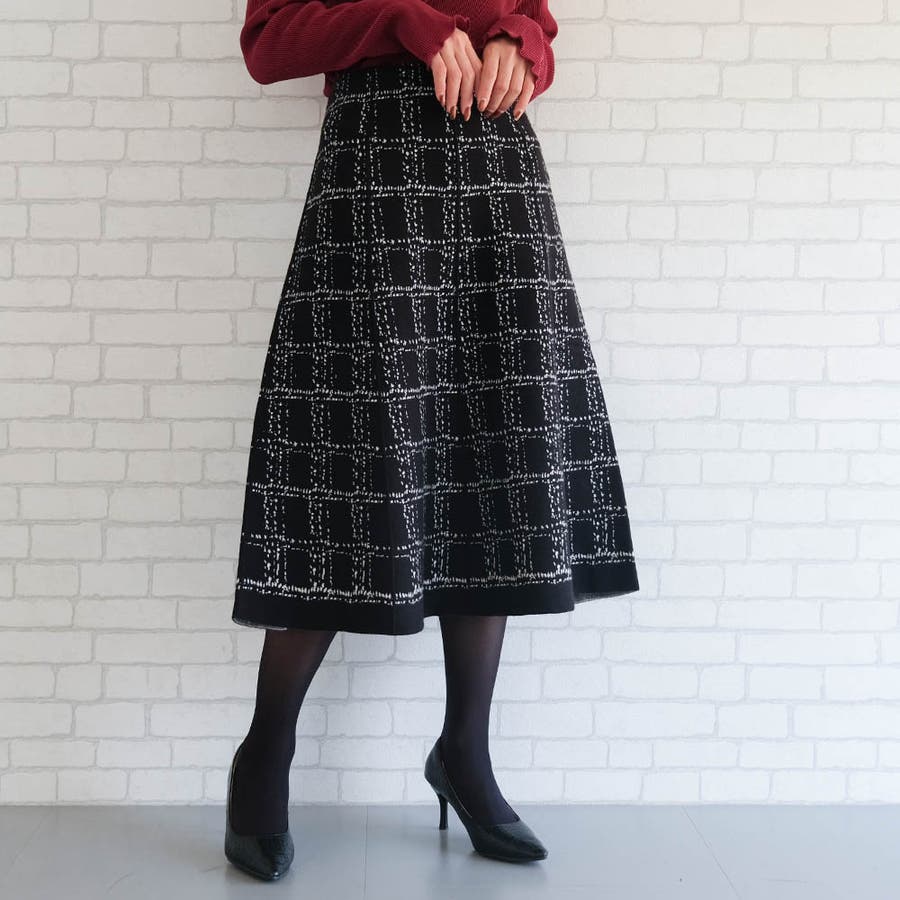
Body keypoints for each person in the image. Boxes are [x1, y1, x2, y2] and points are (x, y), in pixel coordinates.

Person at [224, 0, 640, 881]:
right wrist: (406, 22)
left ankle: (465, 752)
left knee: (494, 459)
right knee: (346, 468)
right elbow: (268, 43)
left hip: (499, 179)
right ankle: (265, 752)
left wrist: (521, 44)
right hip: (372, 183)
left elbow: (535, 22)